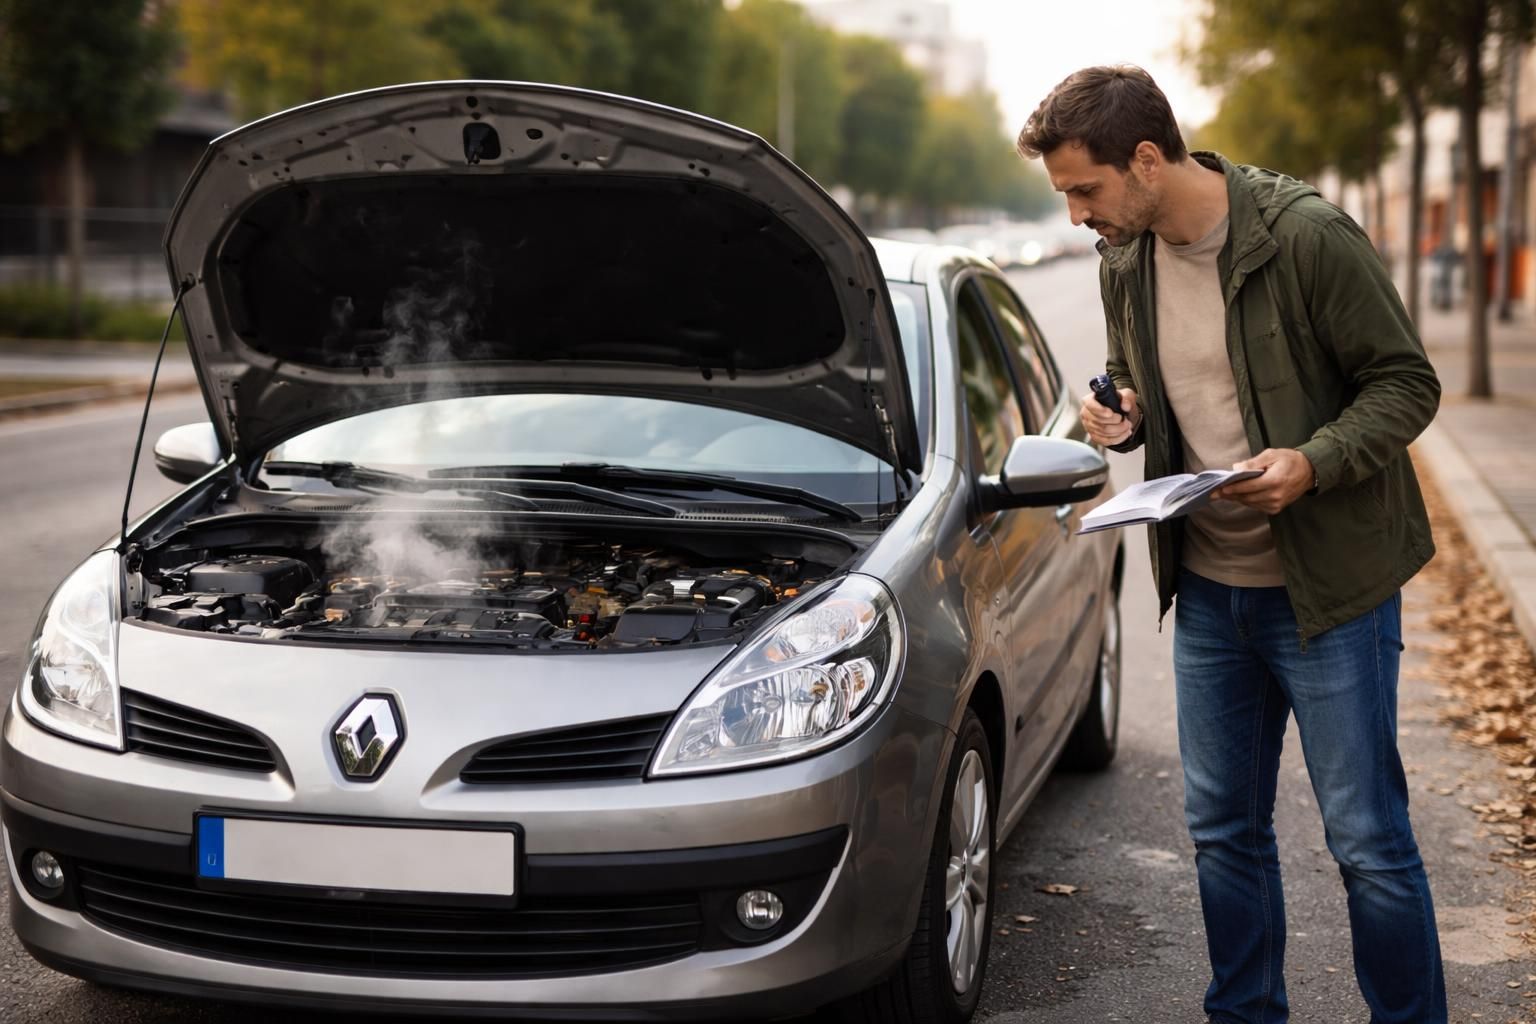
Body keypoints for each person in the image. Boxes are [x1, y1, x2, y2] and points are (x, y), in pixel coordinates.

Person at [1015, 65, 1444, 1024]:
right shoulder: (1124, 257)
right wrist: (1115, 413)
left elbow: (1407, 384)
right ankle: (1245, 1013)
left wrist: (1316, 461)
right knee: (1221, 835)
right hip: (1209, 589)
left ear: (1148, 158)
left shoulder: (1306, 238)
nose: (1078, 214)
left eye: (1086, 189)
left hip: (1328, 593)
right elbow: (1141, 376)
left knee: (1367, 840)